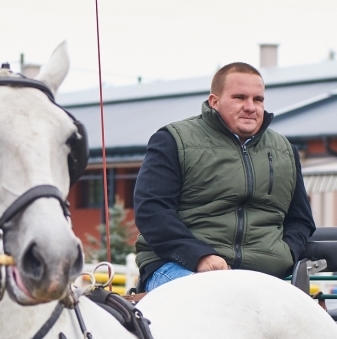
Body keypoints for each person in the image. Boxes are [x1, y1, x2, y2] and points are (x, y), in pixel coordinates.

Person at [133, 62, 315, 292]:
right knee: (213, 307)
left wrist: (285, 254)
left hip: (263, 275)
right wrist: (198, 255)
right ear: (214, 101)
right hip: (179, 266)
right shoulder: (173, 141)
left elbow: (301, 220)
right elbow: (152, 211)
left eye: (258, 99)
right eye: (240, 97)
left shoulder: (284, 150)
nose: (251, 107)